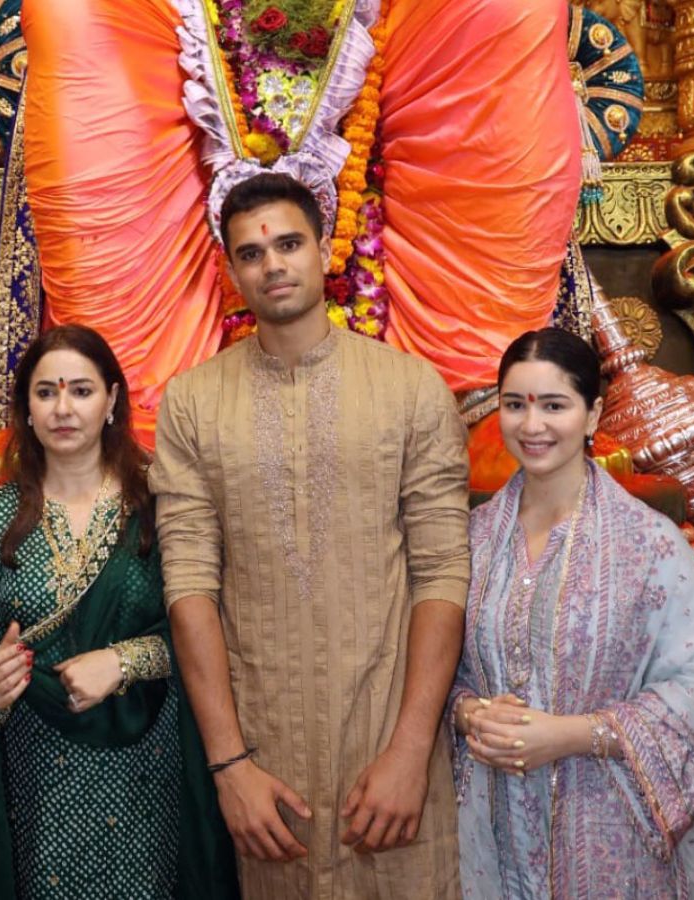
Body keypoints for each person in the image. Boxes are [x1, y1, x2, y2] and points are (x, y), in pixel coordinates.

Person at [149, 172, 471, 898]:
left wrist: (412, 750)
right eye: (252, 253)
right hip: (266, 761)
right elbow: (190, 583)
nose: (273, 264)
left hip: (388, 752)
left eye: (289, 243)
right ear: (231, 272)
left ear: (325, 249)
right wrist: (230, 768)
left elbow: (443, 572)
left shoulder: (412, 389)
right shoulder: (194, 402)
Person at [451, 327, 694, 898]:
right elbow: (446, 671)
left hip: (610, 824)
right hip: (489, 827)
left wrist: (571, 735)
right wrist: (470, 714)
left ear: (592, 415)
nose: (533, 424)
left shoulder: (648, 545)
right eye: (515, 405)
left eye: (554, 404)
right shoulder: (472, 540)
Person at [0, 324, 237, 900]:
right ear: (25, 409)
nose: (63, 408)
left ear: (111, 402)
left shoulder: (160, 503)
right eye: (45, 392)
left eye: (81, 391)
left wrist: (123, 661)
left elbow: (210, 627)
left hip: (145, 770)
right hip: (35, 775)